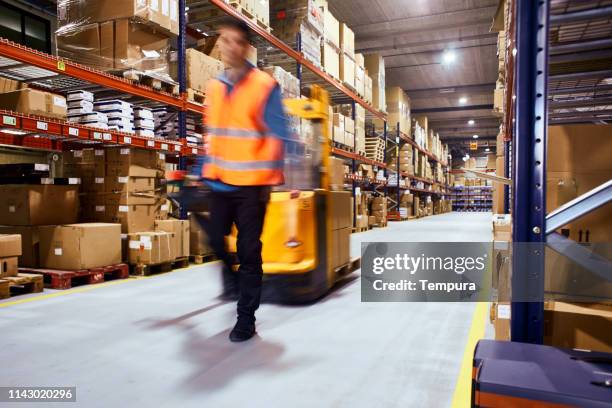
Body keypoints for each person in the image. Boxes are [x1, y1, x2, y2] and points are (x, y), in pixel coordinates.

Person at [200, 17, 289, 342]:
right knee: (213, 239)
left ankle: (246, 318)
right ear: (219, 44)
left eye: (237, 42)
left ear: (247, 48)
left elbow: (280, 132)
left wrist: (281, 175)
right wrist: (199, 172)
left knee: (249, 251)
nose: (230, 47)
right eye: (225, 41)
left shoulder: (264, 85)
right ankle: (236, 280)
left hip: (253, 184)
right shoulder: (213, 87)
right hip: (220, 181)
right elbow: (213, 135)